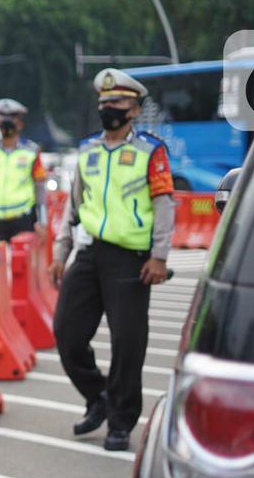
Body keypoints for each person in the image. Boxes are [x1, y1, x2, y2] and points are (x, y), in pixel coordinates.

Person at [49, 68, 174, 452]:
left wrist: (159, 256)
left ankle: (121, 421)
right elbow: (74, 205)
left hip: (131, 260)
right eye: (104, 102)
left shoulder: (151, 151)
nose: (108, 108)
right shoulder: (87, 149)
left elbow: (164, 204)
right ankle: (98, 396)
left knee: (127, 344)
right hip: (89, 254)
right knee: (67, 333)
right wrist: (61, 252)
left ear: (134, 109)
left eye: (117, 102)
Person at [0, 98, 47, 243]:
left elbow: (40, 188)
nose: (6, 126)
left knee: (21, 258)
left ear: (20, 124)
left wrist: (42, 222)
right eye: (3, 121)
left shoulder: (32, 151)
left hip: (23, 218)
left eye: (11, 120)